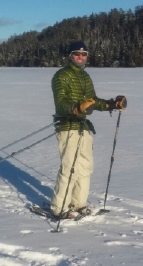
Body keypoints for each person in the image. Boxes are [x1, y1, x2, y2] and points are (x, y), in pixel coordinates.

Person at [50, 41, 126, 219]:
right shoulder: (61, 76)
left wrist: (111, 104)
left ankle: (78, 204)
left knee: (85, 166)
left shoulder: (85, 77)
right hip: (67, 126)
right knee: (70, 167)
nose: (80, 57)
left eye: (84, 54)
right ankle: (59, 208)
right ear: (70, 55)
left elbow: (92, 101)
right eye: (77, 53)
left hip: (83, 127)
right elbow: (61, 103)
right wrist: (76, 108)